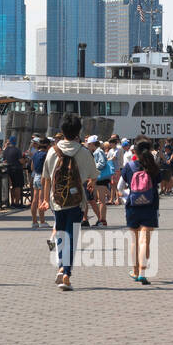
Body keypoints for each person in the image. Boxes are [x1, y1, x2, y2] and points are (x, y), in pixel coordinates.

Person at [41, 114, 97, 291]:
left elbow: (46, 179)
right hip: (76, 201)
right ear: (78, 132)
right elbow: (94, 176)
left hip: (57, 200)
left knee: (60, 233)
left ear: (62, 131)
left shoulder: (52, 151)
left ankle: (60, 266)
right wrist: (90, 182)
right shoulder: (84, 152)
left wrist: (44, 200)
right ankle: (66, 273)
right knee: (72, 237)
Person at [123, 139, 161, 284]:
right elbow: (158, 184)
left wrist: (129, 195)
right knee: (145, 240)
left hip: (133, 207)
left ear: (135, 152)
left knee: (134, 241)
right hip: (150, 207)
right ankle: (143, 273)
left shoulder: (129, 166)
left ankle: (135, 270)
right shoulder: (153, 167)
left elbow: (121, 187)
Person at [85, 135, 110, 226]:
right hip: (100, 178)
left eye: (89, 144)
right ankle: (101, 219)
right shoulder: (98, 151)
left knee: (101, 200)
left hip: (101, 178)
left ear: (92, 144)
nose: (88, 145)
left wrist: (93, 168)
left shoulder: (98, 151)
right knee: (101, 199)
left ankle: (102, 220)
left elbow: (102, 163)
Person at [30, 138, 49, 229]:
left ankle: (34, 221)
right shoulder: (45, 155)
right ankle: (42, 221)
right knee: (41, 199)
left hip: (36, 176)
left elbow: (32, 167)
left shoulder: (35, 154)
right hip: (42, 177)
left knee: (34, 199)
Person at [2, 135, 26, 208]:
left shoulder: (5, 150)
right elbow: (21, 161)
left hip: (8, 170)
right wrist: (25, 161)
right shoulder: (17, 150)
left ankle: (12, 202)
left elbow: (4, 160)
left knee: (11, 187)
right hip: (17, 170)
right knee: (17, 186)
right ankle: (17, 203)